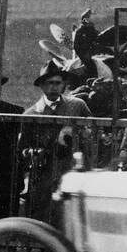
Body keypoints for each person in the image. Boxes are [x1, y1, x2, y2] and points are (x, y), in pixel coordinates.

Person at [19, 60, 94, 219]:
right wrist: (32, 153)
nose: (54, 87)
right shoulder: (31, 114)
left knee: (72, 217)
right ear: (41, 86)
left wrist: (75, 132)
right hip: (43, 173)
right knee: (42, 215)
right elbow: (22, 148)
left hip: (71, 170)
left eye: (57, 83)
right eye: (49, 83)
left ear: (63, 84)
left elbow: (93, 132)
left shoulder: (77, 105)